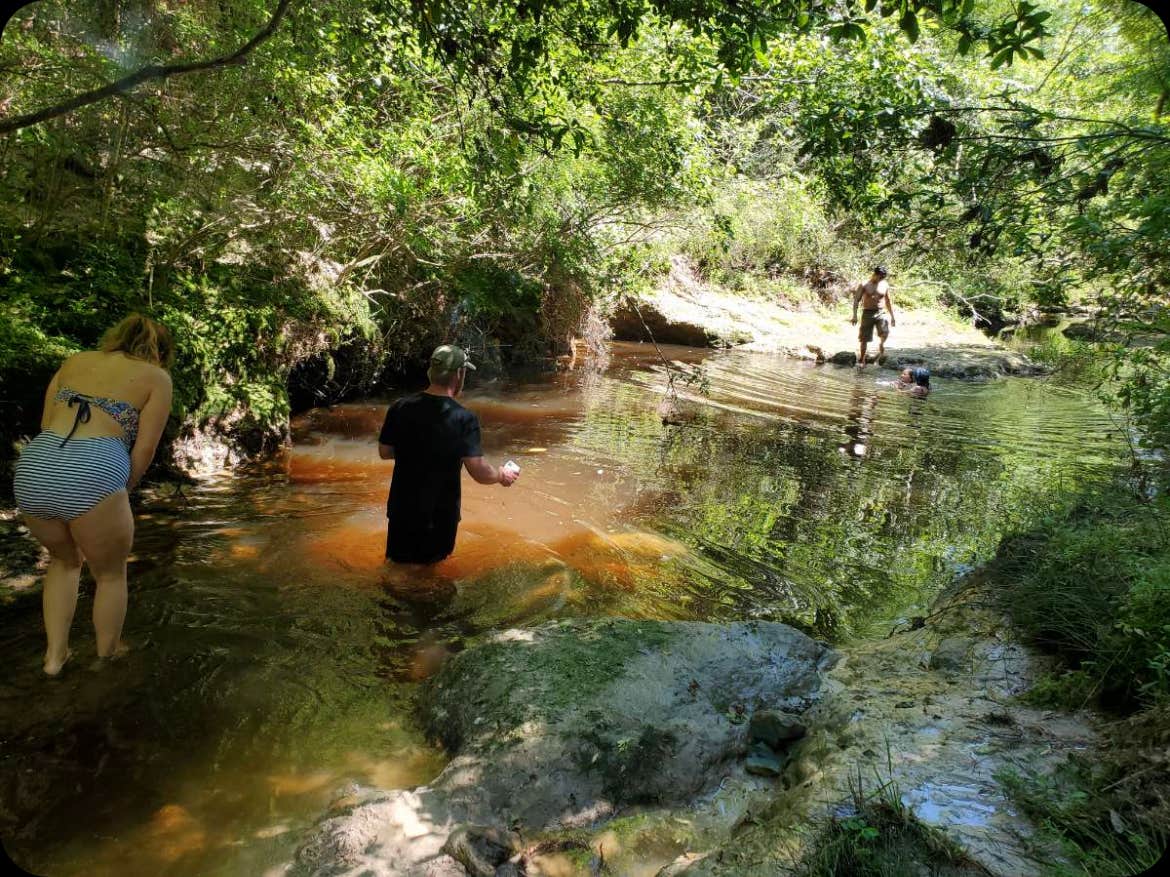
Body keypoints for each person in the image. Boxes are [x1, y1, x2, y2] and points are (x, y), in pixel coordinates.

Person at [13, 314, 175, 675]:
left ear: (115, 335)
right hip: (95, 466)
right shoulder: (157, 379)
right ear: (161, 352)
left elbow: (44, 423)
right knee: (111, 575)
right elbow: (144, 450)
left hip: (37, 463)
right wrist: (120, 489)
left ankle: (54, 658)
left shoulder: (75, 361)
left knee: (63, 561)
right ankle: (109, 652)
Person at [377, 344, 518, 565]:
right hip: (438, 515)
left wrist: (416, 451)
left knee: (396, 567)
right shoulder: (463, 418)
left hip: (401, 510)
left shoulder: (399, 407)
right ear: (459, 375)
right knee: (430, 577)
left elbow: (385, 452)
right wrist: (501, 475)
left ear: (431, 371)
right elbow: (479, 471)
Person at [850, 266, 896, 367]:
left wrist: (892, 316)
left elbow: (888, 301)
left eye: (882, 278)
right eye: (879, 277)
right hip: (867, 313)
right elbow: (856, 300)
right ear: (874, 274)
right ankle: (862, 360)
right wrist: (854, 315)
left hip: (881, 312)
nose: (880, 279)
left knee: (885, 332)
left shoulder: (884, 285)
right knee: (864, 338)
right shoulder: (864, 284)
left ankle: (881, 344)